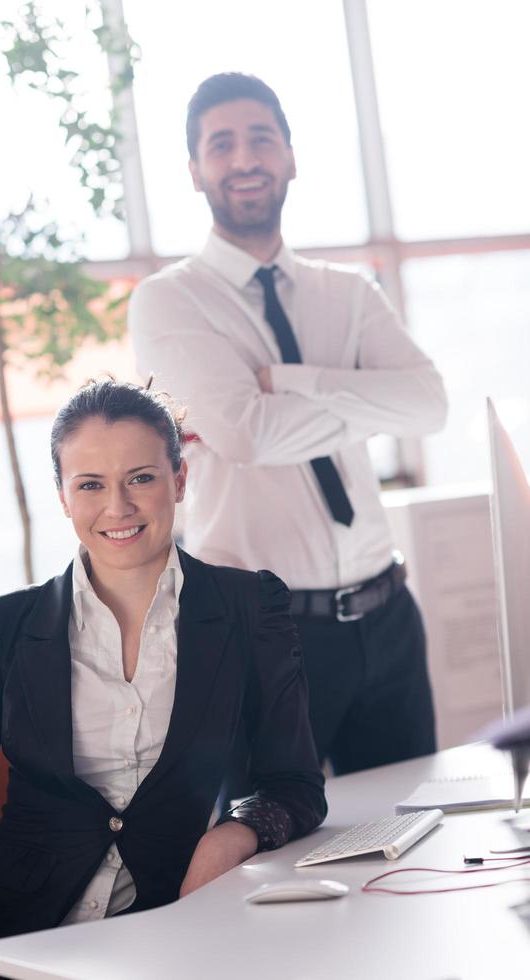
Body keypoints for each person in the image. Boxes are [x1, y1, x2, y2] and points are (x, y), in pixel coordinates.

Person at [0, 378, 326, 979]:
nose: (117, 507)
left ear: (180, 480)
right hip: (2, 940)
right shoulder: (5, 628)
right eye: (90, 484)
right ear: (63, 496)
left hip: (171, 931)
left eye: (141, 477)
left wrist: (230, 836)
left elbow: (294, 783)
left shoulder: (249, 610)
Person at [128, 72, 449, 788]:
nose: (245, 158)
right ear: (195, 170)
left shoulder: (349, 293)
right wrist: (366, 399)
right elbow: (246, 435)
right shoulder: (168, 302)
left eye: (261, 138)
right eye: (222, 144)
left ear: (291, 156)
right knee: (266, 855)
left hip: (389, 614)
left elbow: (428, 405)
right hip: (264, 632)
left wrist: (295, 382)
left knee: (417, 835)